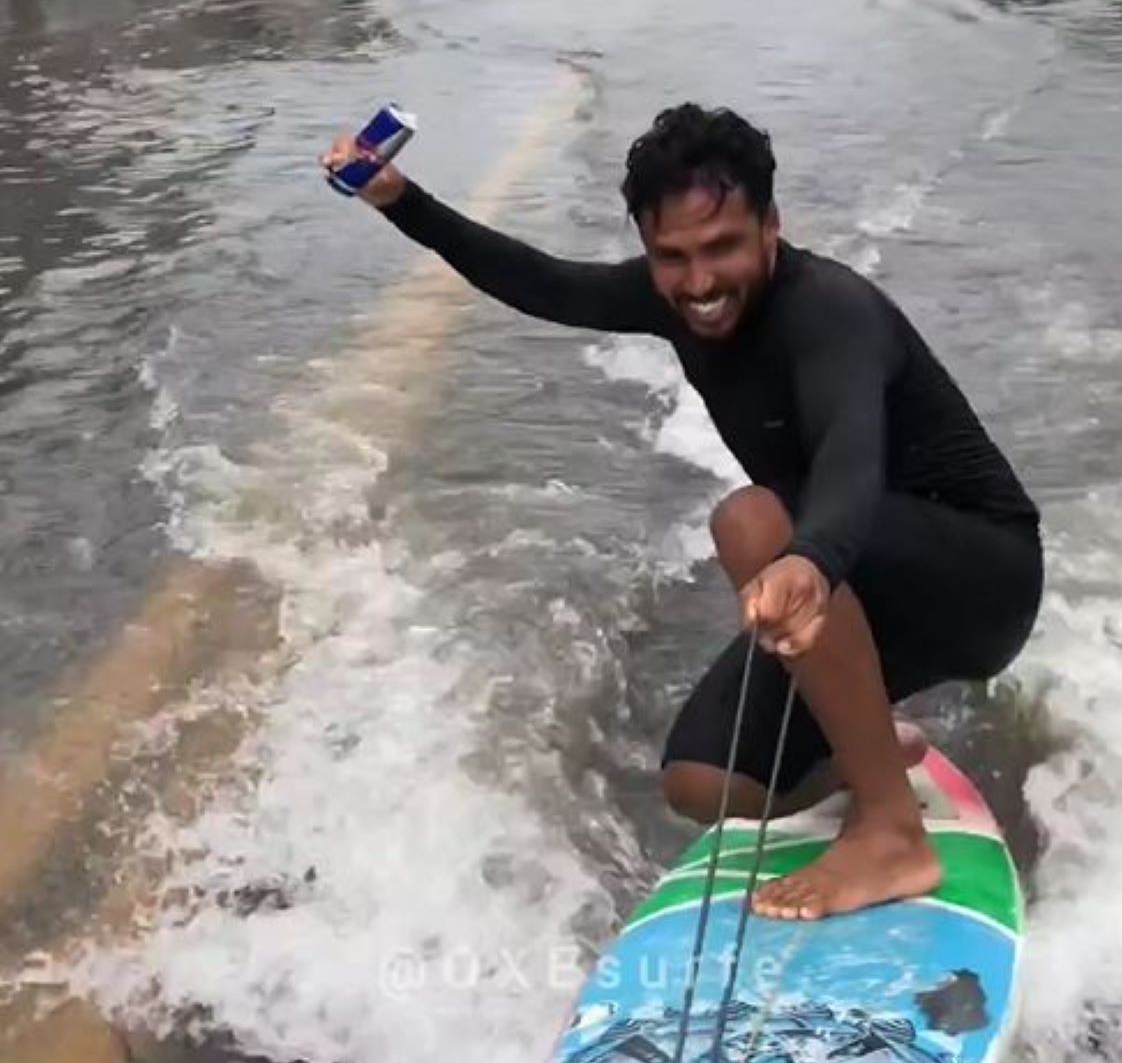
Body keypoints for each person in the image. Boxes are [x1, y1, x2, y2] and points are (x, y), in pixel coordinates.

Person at [320, 104, 1043, 922]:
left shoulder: (830, 314)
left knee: (750, 525)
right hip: (849, 579)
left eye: (722, 247)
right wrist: (398, 199)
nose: (699, 284)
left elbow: (849, 457)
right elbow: (546, 283)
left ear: (771, 226)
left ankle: (892, 833)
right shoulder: (674, 298)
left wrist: (809, 560)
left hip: (981, 578)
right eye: (671, 257)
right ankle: (868, 749)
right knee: (706, 783)